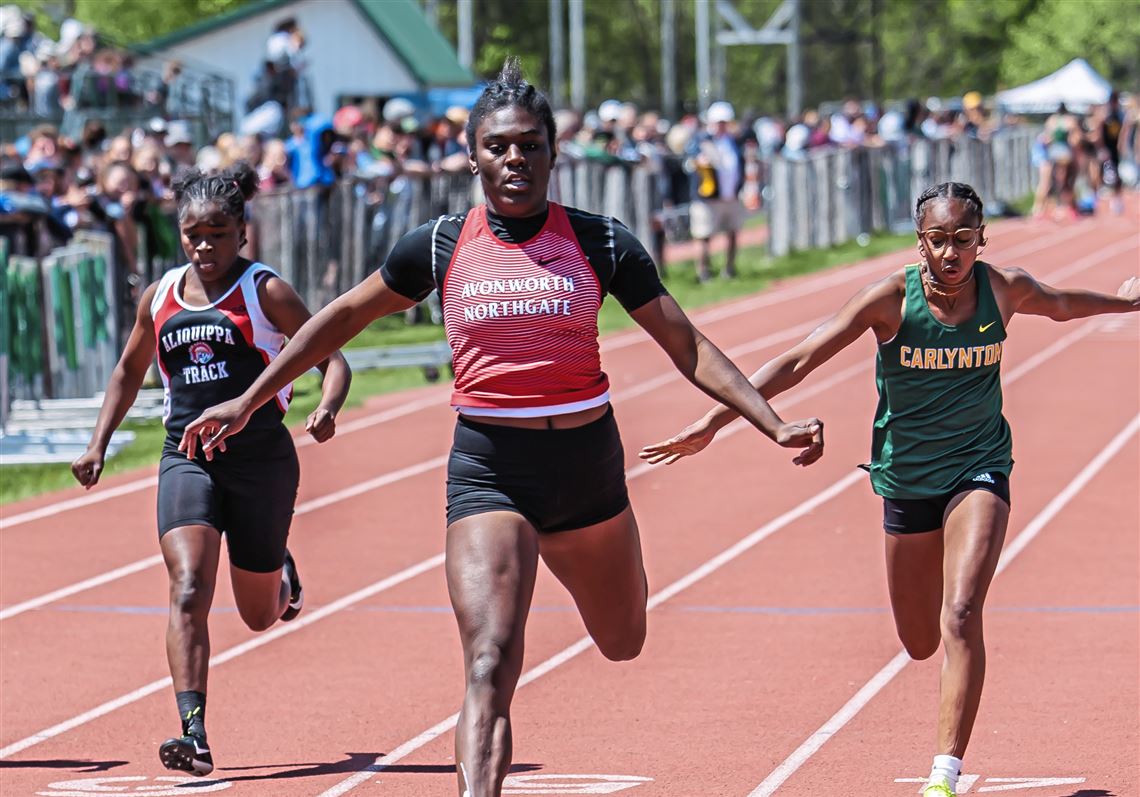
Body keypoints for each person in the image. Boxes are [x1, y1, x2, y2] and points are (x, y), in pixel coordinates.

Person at [178, 58, 822, 797]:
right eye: (498, 146)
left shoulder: (601, 242)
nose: (514, 159)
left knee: (623, 639)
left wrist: (769, 423)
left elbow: (689, 344)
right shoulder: (441, 244)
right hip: (490, 469)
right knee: (490, 658)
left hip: (585, 469)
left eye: (529, 145)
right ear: (473, 154)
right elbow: (342, 318)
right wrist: (252, 396)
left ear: (552, 152)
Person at [639, 181, 1140, 797]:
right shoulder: (890, 300)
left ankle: (942, 776)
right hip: (906, 479)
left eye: (963, 240)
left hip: (979, 466)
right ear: (919, 242)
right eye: (938, 241)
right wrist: (717, 421)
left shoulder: (1002, 289)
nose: (951, 254)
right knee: (919, 639)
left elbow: (1062, 302)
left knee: (961, 611)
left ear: (981, 240)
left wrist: (1128, 304)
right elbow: (800, 359)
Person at [71, 161, 351, 778]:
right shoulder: (162, 296)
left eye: (218, 232)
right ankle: (192, 732)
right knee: (189, 585)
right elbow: (127, 371)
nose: (204, 245)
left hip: (260, 463)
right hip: (187, 457)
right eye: (193, 233)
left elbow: (332, 359)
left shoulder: (264, 291)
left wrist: (327, 407)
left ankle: (280, 570)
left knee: (258, 614)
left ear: (242, 232)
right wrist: (98, 444)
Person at [686, 100, 745, 282]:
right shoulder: (701, 140)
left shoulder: (732, 141)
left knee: (733, 232)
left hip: (730, 196)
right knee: (704, 235)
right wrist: (698, 160)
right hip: (707, 198)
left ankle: (729, 269)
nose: (722, 126)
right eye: (719, 122)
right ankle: (704, 272)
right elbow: (689, 160)